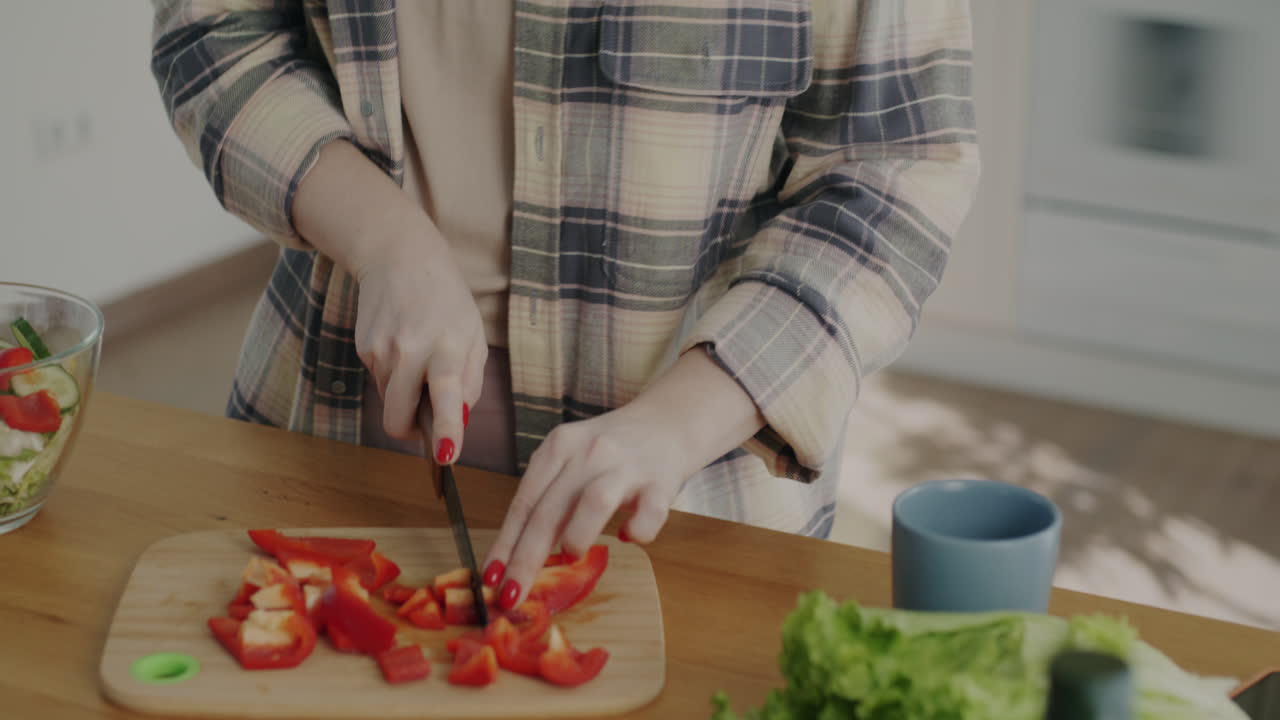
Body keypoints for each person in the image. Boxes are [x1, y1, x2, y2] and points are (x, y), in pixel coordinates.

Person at [150, 0, 979, 611]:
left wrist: (680, 420)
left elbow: (894, 169)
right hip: (322, 450)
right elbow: (213, 32)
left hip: (691, 509)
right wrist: (388, 243)